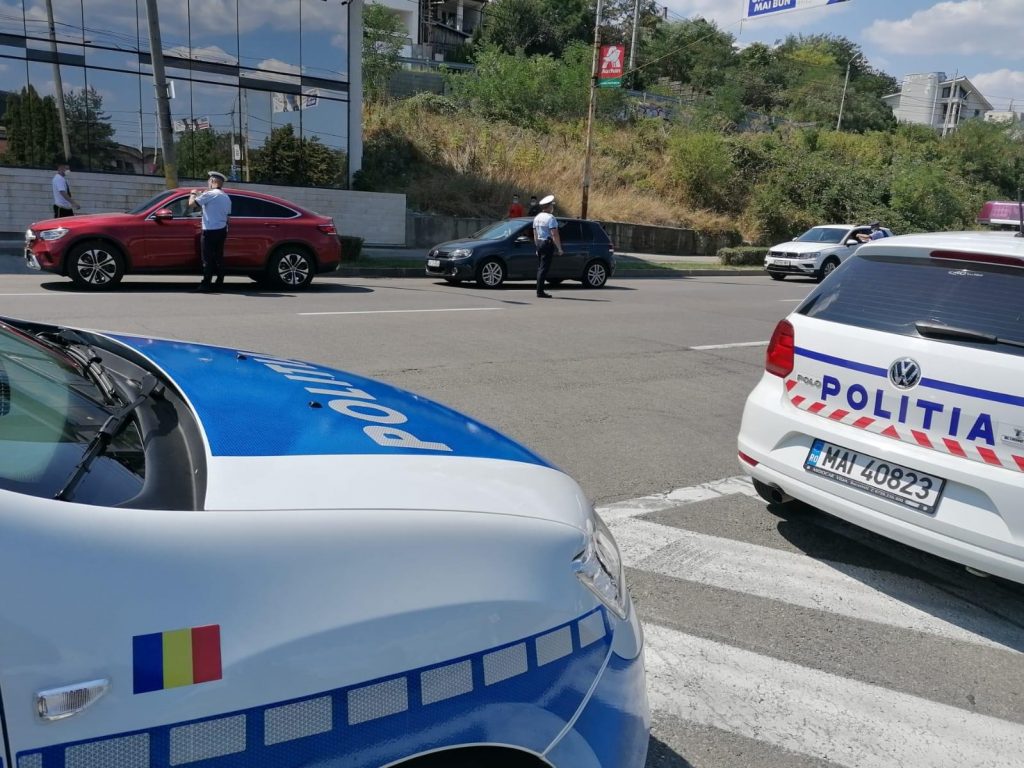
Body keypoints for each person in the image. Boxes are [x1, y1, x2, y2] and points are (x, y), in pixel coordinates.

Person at [188, 170, 232, 292]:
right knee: (218, 257)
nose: (208, 183)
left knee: (207, 258)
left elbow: (192, 204)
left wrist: (193, 193)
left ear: (213, 181)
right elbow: (227, 216)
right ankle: (219, 283)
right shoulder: (226, 197)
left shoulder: (210, 194)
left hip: (209, 231)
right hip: (222, 230)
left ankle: (206, 284)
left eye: (209, 180)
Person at [532, 194, 563, 298]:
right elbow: (554, 234)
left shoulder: (537, 217)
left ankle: (539, 290)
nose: (552, 207)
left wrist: (537, 247)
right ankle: (540, 291)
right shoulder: (551, 218)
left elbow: (535, 234)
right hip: (547, 244)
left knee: (540, 268)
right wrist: (559, 248)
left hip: (540, 243)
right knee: (544, 269)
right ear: (549, 206)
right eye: (552, 205)